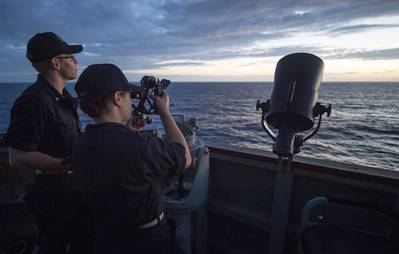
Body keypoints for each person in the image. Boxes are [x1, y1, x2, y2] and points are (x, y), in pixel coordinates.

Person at [72, 63, 192, 254]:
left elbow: (111, 150)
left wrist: (129, 131)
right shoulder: (139, 146)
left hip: (106, 239)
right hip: (148, 242)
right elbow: (184, 159)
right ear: (118, 98)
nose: (132, 101)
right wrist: (165, 113)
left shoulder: (80, 143)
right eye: (130, 95)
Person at [6, 32, 84, 254]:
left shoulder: (59, 97)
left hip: (70, 191)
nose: (76, 61)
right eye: (70, 56)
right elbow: (17, 156)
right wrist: (70, 163)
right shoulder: (34, 101)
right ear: (56, 62)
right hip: (52, 198)